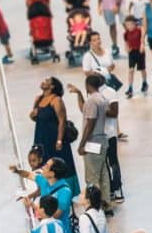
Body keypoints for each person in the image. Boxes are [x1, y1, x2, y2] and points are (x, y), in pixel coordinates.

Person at [70, 63, 124, 204]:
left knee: (104, 167)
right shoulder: (95, 96)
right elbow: (85, 109)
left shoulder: (108, 93)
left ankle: (116, 189)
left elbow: (110, 113)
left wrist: (99, 111)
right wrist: (80, 94)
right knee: (103, 171)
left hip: (104, 135)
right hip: (101, 136)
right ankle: (106, 197)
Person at [29, 76, 81, 196]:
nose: (42, 81)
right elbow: (36, 118)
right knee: (44, 165)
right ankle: (45, 192)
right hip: (41, 137)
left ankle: (65, 193)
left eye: (46, 81)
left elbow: (62, 121)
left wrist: (59, 140)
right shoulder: (38, 99)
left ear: (52, 86)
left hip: (54, 138)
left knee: (60, 166)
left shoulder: (56, 100)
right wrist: (32, 115)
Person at [75, 74, 114, 216]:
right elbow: (84, 110)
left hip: (93, 143)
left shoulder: (92, 101)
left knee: (92, 177)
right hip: (102, 141)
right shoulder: (102, 98)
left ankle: (95, 208)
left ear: (88, 85)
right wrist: (79, 94)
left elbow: (90, 123)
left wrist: (82, 144)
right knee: (103, 174)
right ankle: (106, 203)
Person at [123, 15, 148, 97]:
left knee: (142, 69)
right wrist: (127, 49)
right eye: (127, 25)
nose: (129, 26)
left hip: (140, 52)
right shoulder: (126, 33)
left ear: (135, 24)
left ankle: (144, 82)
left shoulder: (139, 30)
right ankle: (130, 88)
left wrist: (142, 45)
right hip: (132, 52)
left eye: (130, 24)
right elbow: (126, 42)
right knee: (131, 70)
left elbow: (142, 39)